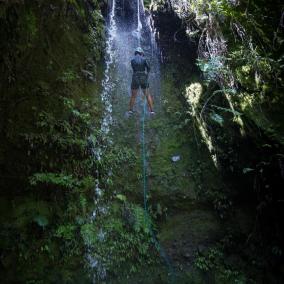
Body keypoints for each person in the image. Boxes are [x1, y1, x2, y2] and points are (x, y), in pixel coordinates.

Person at [128, 47, 155, 115]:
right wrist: (146, 74)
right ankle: (152, 111)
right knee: (147, 95)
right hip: (143, 77)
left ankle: (130, 111)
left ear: (136, 53)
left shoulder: (132, 60)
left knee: (133, 96)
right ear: (141, 53)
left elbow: (134, 69)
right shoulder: (144, 59)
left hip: (135, 77)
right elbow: (148, 68)